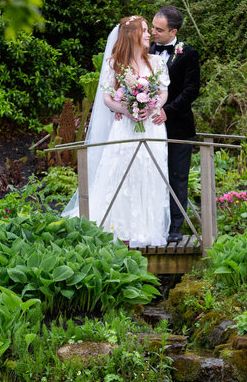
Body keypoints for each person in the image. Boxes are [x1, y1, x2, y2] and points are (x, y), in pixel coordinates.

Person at [62, 15, 171, 247]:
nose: (149, 34)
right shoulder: (114, 63)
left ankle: (146, 228)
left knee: (147, 171)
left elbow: (162, 92)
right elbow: (107, 98)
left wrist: (153, 105)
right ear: (131, 35)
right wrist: (127, 108)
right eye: (144, 30)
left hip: (151, 127)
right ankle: (118, 226)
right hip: (125, 127)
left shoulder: (157, 62)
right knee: (122, 172)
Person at [148, 6, 201, 242]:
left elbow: (191, 90)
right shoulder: (145, 50)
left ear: (174, 31)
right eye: (152, 27)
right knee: (150, 175)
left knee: (177, 177)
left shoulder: (188, 54)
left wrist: (167, 111)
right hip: (148, 126)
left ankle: (175, 227)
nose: (153, 32)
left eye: (159, 29)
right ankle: (152, 224)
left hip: (178, 126)